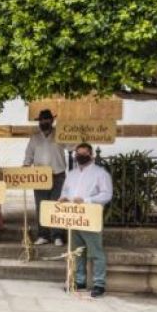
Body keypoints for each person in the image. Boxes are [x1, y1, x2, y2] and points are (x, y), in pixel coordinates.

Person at [59, 143, 113, 298]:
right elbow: (65, 190)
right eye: (78, 153)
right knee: (77, 252)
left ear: (91, 156)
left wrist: (86, 200)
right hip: (74, 218)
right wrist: (64, 198)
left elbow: (106, 194)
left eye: (83, 153)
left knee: (96, 252)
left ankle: (99, 284)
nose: (79, 156)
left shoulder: (100, 174)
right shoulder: (72, 173)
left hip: (91, 217)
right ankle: (79, 281)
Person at [24, 109, 68, 246]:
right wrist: (25, 168)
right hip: (40, 177)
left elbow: (72, 146)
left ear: (52, 120)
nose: (43, 122)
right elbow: (28, 156)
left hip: (58, 174)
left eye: (46, 119)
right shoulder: (34, 138)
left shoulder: (61, 135)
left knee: (57, 205)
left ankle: (57, 236)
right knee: (41, 206)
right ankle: (43, 235)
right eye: (41, 120)